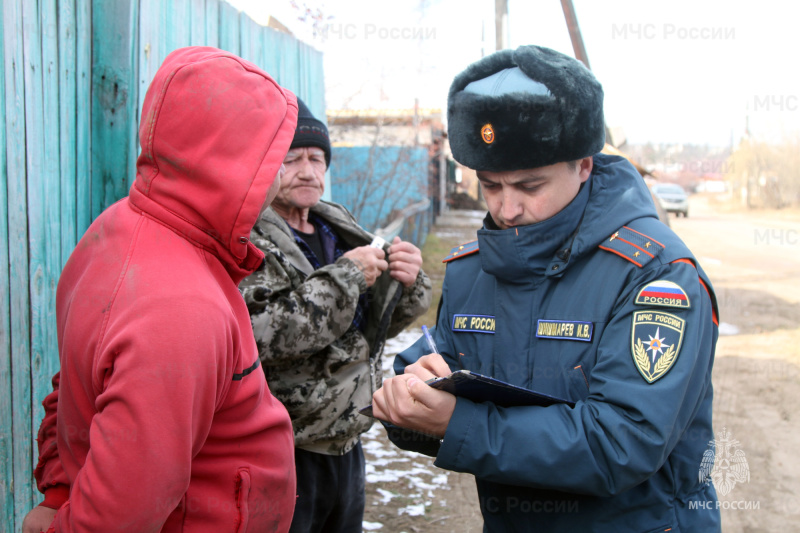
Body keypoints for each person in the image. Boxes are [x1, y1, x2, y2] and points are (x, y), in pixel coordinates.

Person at [371, 45, 721, 532]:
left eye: (529, 186)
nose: (506, 209)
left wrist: (461, 424)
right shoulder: (475, 269)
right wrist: (411, 393)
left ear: (583, 165)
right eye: (490, 186)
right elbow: (441, 364)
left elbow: (625, 442)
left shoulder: (656, 274)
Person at [22, 47, 299, 533]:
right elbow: (118, 517)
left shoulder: (122, 228)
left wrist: (61, 492)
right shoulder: (179, 308)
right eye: (271, 158)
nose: (279, 178)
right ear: (228, 164)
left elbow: (79, 387)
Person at [239, 98, 432, 532]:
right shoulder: (249, 240)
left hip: (346, 440)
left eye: (316, 158)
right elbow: (257, 336)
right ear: (267, 166)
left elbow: (364, 332)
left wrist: (405, 280)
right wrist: (346, 278)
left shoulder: (339, 229)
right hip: (285, 449)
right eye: (292, 160)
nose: (308, 171)